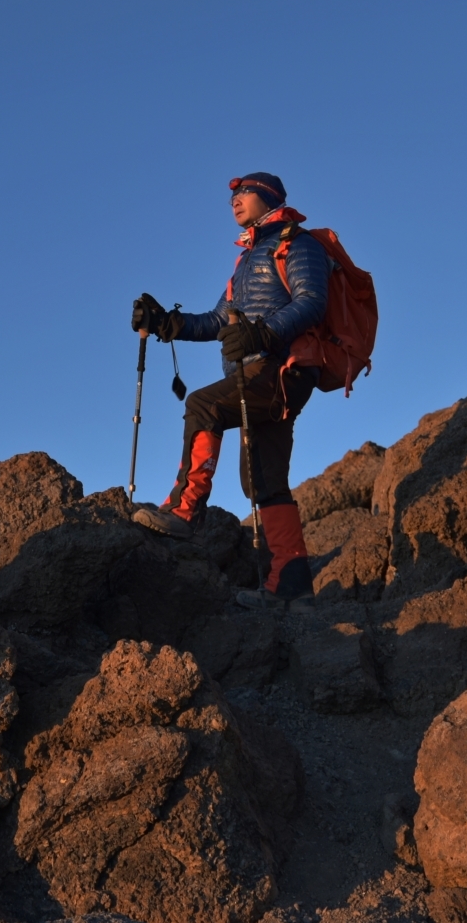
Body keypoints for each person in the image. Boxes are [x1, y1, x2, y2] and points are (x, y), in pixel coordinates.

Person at [131, 172, 328, 608]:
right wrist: (169, 325)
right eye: (233, 197)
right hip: (260, 370)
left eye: (244, 194)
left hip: (283, 367)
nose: (234, 202)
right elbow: (221, 322)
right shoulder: (247, 260)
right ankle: (291, 586)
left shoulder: (298, 244)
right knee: (262, 478)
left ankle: (184, 511)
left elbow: (313, 300)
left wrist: (262, 335)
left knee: (203, 404)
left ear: (269, 197)